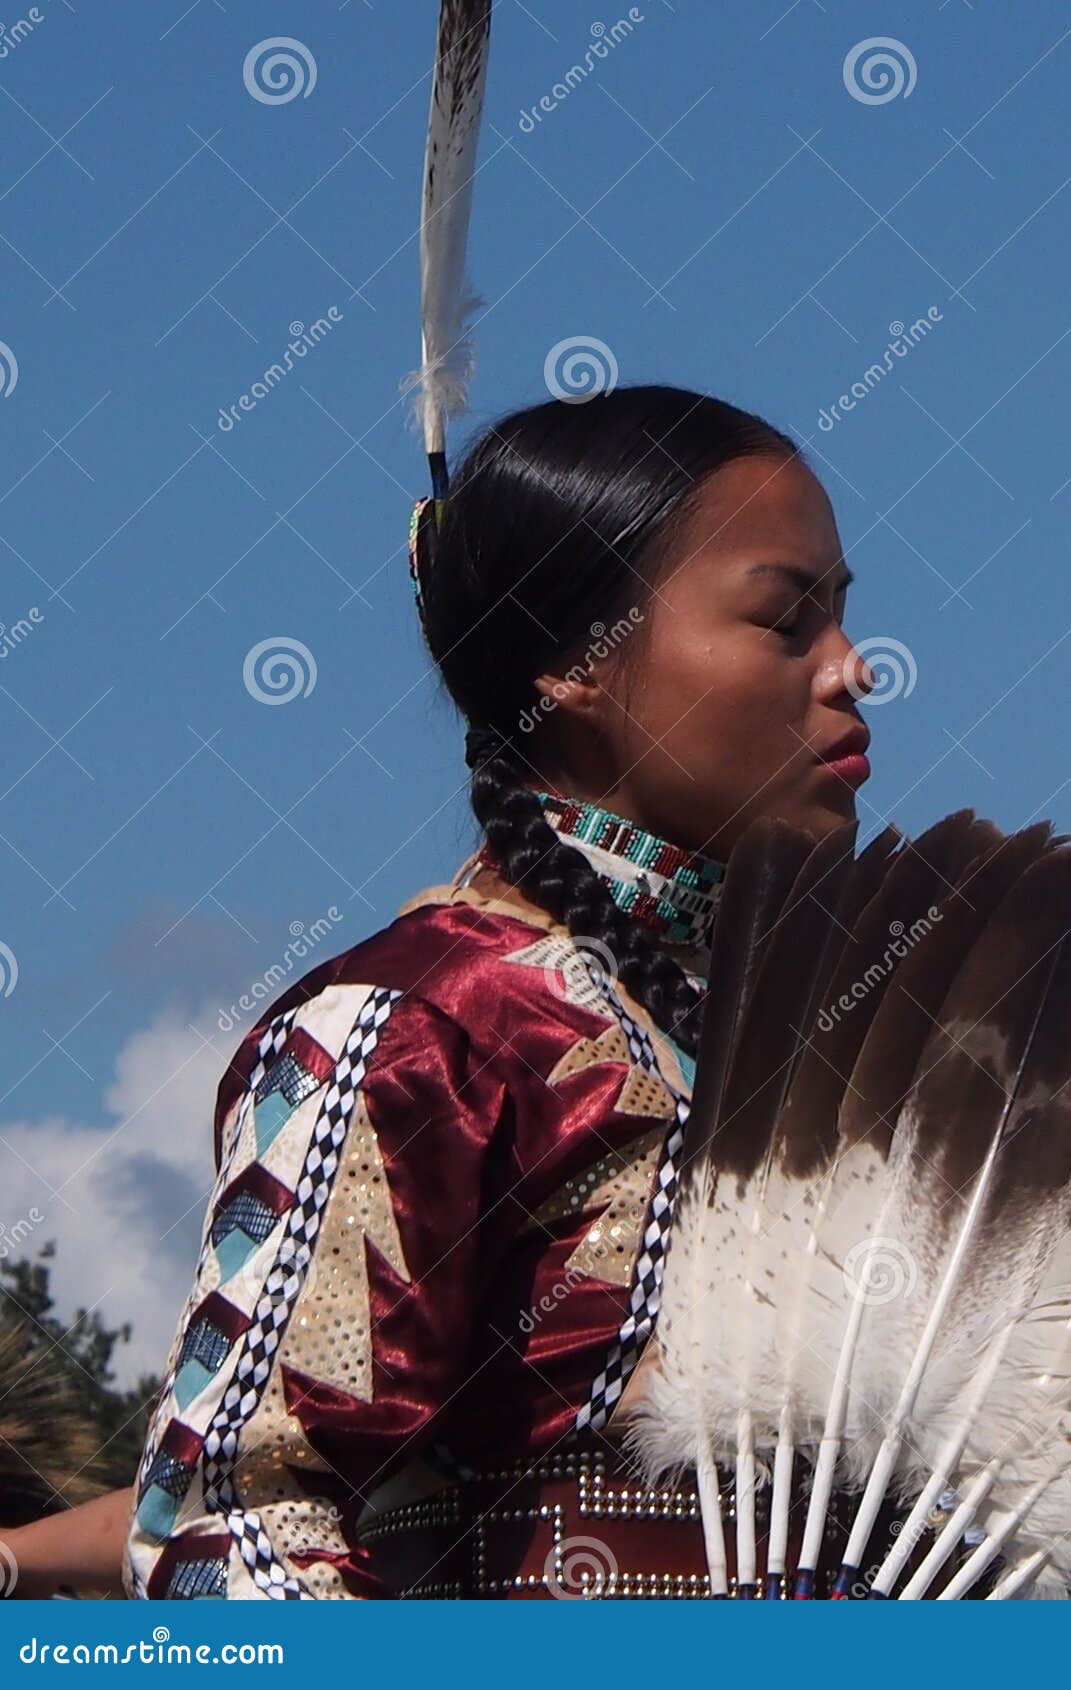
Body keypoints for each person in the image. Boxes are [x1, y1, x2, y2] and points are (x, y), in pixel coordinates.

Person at [0, 383, 874, 1599]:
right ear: (574, 660)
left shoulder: (838, 1042)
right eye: (787, 622)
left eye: (842, 614)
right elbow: (239, 1521)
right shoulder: (413, 1032)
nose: (853, 668)